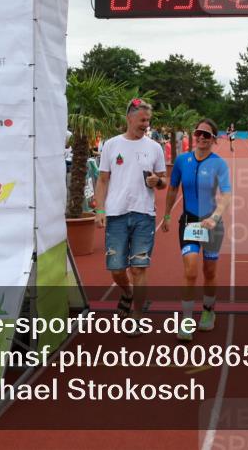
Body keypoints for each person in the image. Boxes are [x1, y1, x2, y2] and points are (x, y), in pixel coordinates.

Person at [93, 98, 167, 327]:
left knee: (138, 267)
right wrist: (101, 209)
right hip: (116, 214)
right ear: (129, 118)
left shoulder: (154, 147)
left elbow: (164, 180)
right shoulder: (111, 145)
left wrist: (158, 181)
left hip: (144, 214)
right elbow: (102, 179)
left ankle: (137, 316)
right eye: (142, 120)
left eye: (148, 120)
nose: (146, 124)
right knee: (116, 268)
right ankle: (127, 292)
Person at [161, 118, 232, 341]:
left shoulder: (219, 164)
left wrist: (215, 217)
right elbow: (172, 189)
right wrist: (166, 214)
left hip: (212, 223)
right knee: (190, 270)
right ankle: (187, 319)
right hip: (189, 222)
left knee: (209, 271)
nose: (201, 137)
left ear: (214, 139)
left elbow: (226, 194)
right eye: (198, 133)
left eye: (207, 135)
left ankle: (209, 311)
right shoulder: (182, 161)